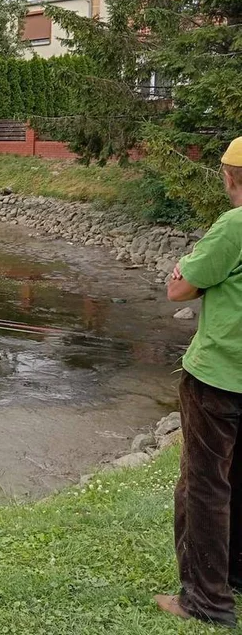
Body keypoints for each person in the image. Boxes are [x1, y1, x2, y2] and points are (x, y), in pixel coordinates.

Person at [156, 138, 242, 628]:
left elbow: (177, 288)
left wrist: (188, 273)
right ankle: (235, 574)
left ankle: (206, 602)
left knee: (205, 486)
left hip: (221, 375)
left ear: (227, 176)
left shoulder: (233, 224)